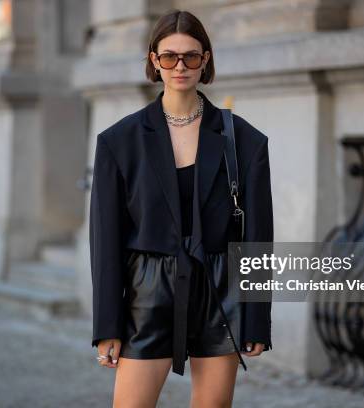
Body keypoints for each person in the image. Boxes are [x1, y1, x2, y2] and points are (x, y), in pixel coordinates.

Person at [90, 9, 274, 407]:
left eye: (191, 56)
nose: (180, 65)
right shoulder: (119, 142)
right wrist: (108, 324)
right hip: (148, 290)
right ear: (154, 61)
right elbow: (106, 241)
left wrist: (256, 318)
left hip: (219, 287)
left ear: (205, 60)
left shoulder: (245, 141)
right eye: (169, 56)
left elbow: (259, 237)